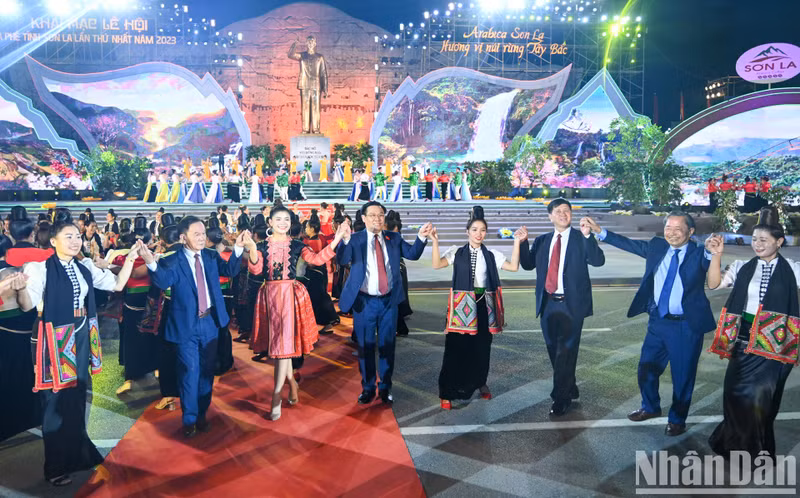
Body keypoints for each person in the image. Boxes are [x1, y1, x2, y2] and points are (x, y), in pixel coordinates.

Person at [16, 210, 141, 486]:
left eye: (76, 236)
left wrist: (131, 259)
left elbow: (117, 284)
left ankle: (79, 453)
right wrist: (21, 289)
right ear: (53, 241)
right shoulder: (39, 268)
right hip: (55, 338)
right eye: (68, 236)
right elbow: (27, 305)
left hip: (82, 332)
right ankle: (55, 466)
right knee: (54, 401)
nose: (75, 241)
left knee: (79, 395)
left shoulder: (83, 267)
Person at [583, 211, 715, 435]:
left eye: (677, 229)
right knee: (646, 368)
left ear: (690, 232)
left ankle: (677, 419)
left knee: (682, 376)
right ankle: (650, 407)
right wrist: (600, 232)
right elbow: (629, 244)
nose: (671, 233)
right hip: (658, 321)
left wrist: (714, 252)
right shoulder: (657, 246)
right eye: (668, 228)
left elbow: (711, 268)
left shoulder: (700, 253)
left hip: (685, 326)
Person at [140, 216, 246, 438]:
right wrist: (150, 262)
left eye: (203, 233)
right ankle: (189, 418)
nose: (201, 238)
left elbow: (230, 270)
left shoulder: (209, 256)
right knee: (189, 371)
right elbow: (162, 281)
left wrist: (237, 248)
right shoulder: (172, 260)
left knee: (207, 372)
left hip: (210, 322)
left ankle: (201, 415)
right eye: (196, 234)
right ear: (183, 237)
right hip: (185, 326)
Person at [706, 207, 798, 457]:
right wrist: (716, 256)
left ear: (779, 242)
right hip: (743, 340)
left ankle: (757, 451)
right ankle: (732, 445)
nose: (757, 244)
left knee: (761, 402)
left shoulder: (793, 269)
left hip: (773, 346)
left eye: (764, 240)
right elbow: (713, 284)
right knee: (735, 395)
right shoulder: (742, 266)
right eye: (754, 239)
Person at [244, 206, 349, 420]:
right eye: (278, 219)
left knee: (283, 349)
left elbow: (318, 260)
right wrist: (252, 250)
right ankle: (291, 384)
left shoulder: (298, 245)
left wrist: (337, 239)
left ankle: (276, 396)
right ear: (270, 222)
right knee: (281, 347)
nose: (283, 223)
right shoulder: (262, 246)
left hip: (291, 297)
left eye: (286, 219)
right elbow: (255, 271)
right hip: (270, 298)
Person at [516, 199, 605, 416]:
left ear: (571, 215)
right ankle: (569, 385)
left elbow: (597, 260)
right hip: (547, 304)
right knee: (553, 351)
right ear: (550, 216)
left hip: (571, 305)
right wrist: (522, 242)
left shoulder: (580, 237)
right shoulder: (543, 240)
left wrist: (588, 236)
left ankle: (560, 398)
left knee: (565, 351)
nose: (563, 214)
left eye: (567, 211)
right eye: (558, 211)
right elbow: (528, 265)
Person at [337, 201, 431, 404]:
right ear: (363, 218)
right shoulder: (355, 240)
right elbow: (343, 260)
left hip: (389, 301)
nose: (377, 219)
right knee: (366, 346)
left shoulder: (393, 238)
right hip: (364, 302)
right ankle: (368, 387)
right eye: (372, 215)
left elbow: (413, 254)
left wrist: (421, 236)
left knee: (388, 346)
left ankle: (386, 387)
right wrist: (343, 241)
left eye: (380, 215)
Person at [431, 206, 522, 409]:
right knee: (455, 349)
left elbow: (513, 266)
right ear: (467, 232)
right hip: (462, 307)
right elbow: (437, 264)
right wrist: (435, 241)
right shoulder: (457, 252)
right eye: (474, 230)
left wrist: (516, 242)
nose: (478, 234)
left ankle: (479, 382)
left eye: (482, 230)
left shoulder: (491, 255)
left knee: (482, 349)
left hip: (484, 307)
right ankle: (447, 392)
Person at [113, 218, 159, 395]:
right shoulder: (154, 257)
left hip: (132, 304)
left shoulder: (121, 258)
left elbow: (124, 274)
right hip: (151, 303)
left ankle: (130, 378)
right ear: (150, 240)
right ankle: (155, 369)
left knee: (131, 339)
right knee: (152, 336)